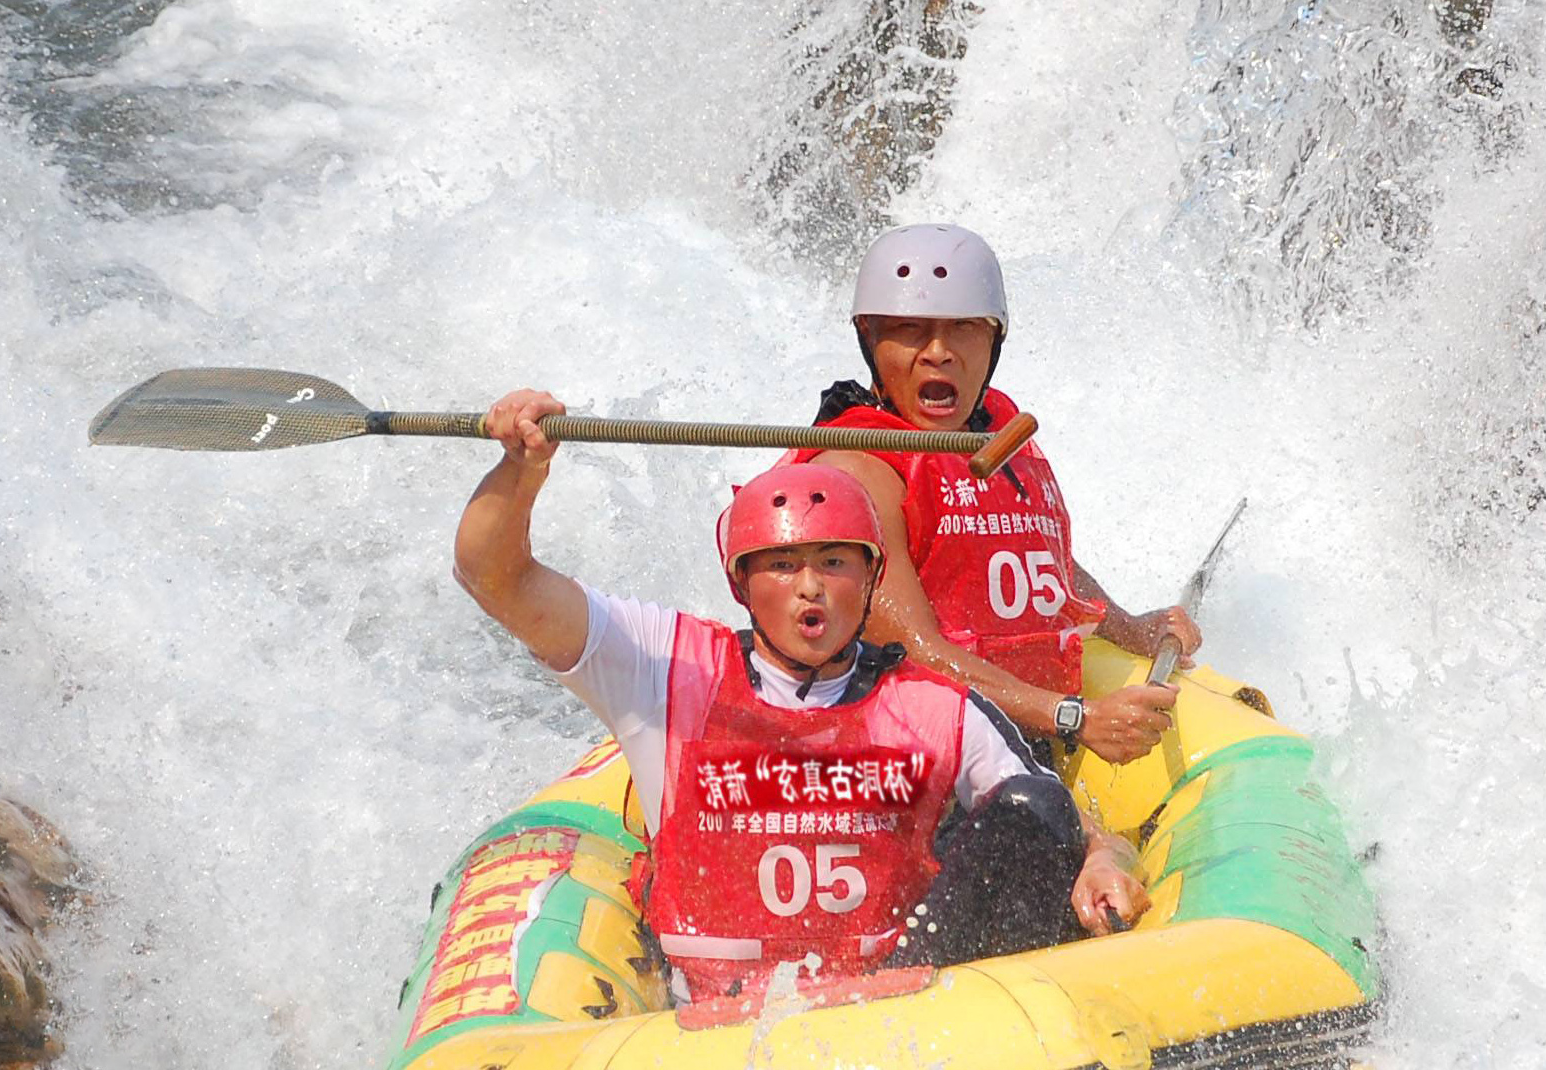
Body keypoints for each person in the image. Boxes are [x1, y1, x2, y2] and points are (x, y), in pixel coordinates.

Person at [453, 389, 1150, 1005]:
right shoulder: (668, 670)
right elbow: (495, 578)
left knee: (1038, 809)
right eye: (783, 566)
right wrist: (522, 468)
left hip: (902, 1004)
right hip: (716, 1028)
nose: (811, 587)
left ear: (872, 578)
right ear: (742, 583)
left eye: (835, 563)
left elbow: (1061, 824)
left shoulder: (929, 703)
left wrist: (1105, 861)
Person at [790, 223, 1201, 766]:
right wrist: (1076, 717)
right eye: (911, 330)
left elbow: (1039, 567)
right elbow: (918, 656)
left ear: (994, 341)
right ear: (870, 338)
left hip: (1017, 730)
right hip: (907, 750)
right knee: (1090, 847)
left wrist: (1132, 629)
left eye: (962, 328)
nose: (938, 353)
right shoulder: (855, 475)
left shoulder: (996, 435)